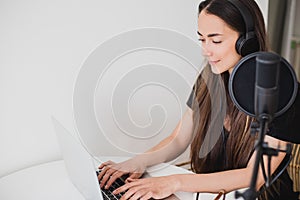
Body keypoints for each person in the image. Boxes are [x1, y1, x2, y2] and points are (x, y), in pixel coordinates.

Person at [98, 0, 300, 199]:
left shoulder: (280, 88)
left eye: (216, 40)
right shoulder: (211, 76)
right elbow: (178, 139)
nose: (206, 50)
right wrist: (140, 161)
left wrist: (175, 182)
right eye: (202, 39)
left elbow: (253, 177)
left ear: (247, 41)